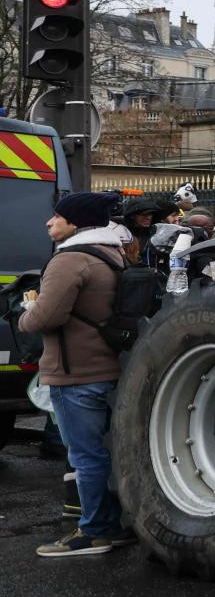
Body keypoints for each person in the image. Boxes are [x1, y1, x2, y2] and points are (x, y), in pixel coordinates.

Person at [16, 192, 135, 558]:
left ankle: (94, 531)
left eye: (57, 216)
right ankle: (113, 526)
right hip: (107, 368)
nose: (49, 222)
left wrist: (26, 314)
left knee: (85, 457)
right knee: (105, 453)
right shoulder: (112, 254)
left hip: (75, 373)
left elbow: (46, 317)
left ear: (75, 222)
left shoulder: (69, 259)